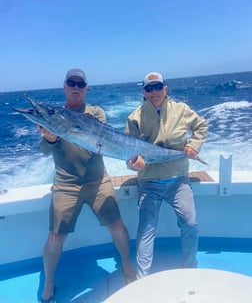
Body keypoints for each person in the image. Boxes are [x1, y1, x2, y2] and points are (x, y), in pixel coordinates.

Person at [39, 69, 136, 303]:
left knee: (117, 226)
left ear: (85, 89)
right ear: (64, 86)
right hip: (66, 184)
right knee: (56, 237)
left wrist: (132, 156)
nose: (76, 86)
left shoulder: (95, 113)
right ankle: (49, 282)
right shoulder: (55, 117)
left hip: (98, 181)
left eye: (80, 84)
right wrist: (50, 139)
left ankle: (127, 266)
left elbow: (101, 139)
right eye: (71, 83)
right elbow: (44, 149)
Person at [125, 71, 208, 279]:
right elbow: (128, 154)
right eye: (149, 88)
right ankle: (142, 279)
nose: (154, 92)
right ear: (143, 92)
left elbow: (201, 126)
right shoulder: (134, 117)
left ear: (165, 88)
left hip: (178, 181)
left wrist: (193, 145)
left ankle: (190, 266)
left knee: (190, 223)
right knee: (145, 230)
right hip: (149, 183)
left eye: (158, 87)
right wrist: (135, 165)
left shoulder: (181, 110)